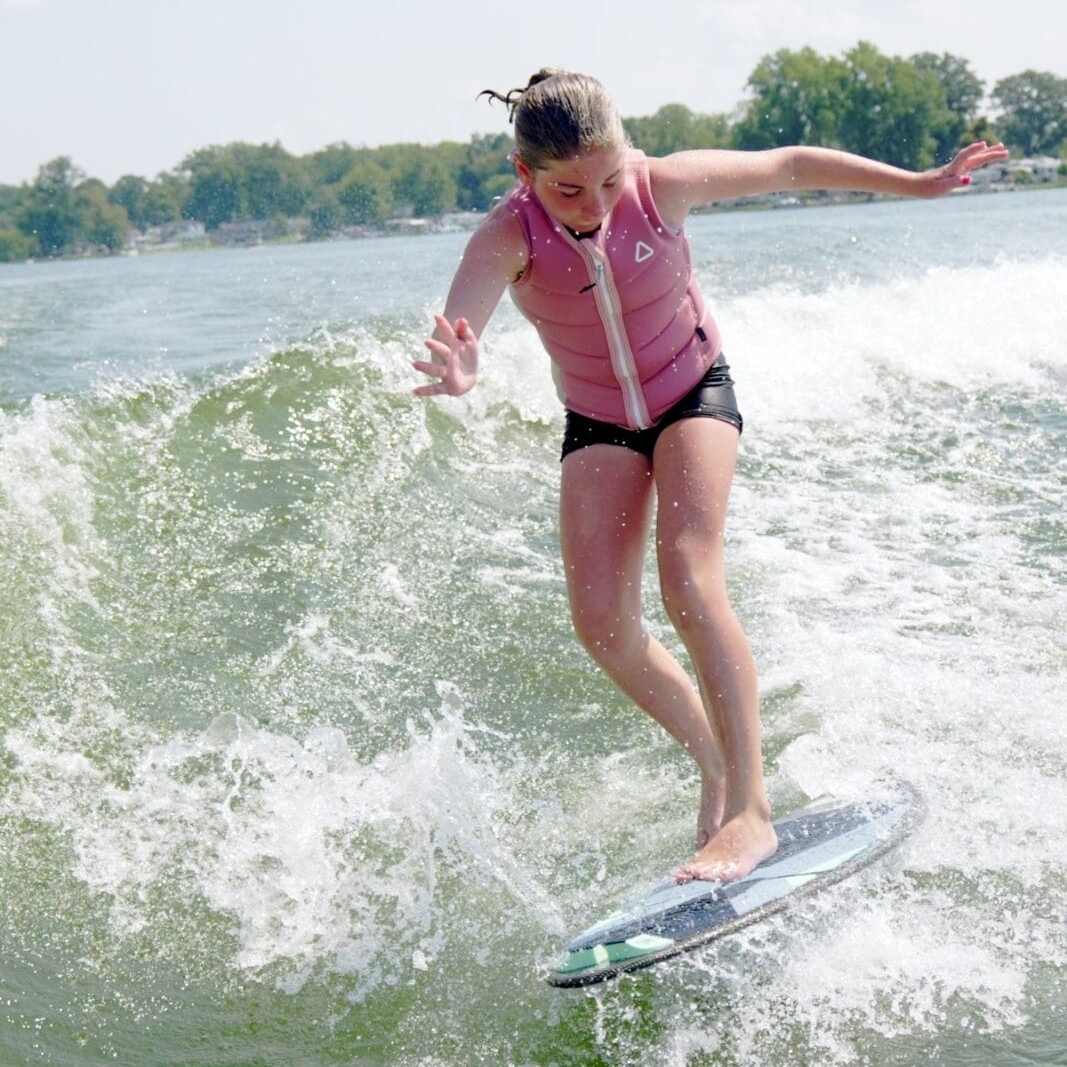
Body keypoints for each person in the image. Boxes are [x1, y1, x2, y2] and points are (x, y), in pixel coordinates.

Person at [412, 68, 1008, 884]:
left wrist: (916, 183)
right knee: (600, 624)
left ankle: (749, 813)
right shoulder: (505, 236)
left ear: (628, 155)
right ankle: (714, 763)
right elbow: (463, 321)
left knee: (688, 577)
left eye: (608, 179)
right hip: (598, 420)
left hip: (691, 389)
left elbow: (789, 163)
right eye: (568, 191)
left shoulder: (661, 188)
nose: (594, 205)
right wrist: (464, 365)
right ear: (526, 177)